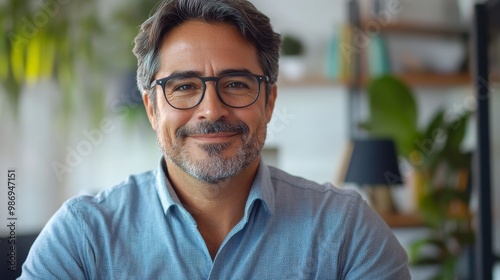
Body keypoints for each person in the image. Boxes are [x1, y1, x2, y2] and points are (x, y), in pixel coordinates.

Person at [20, 0, 410, 279]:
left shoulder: (347, 231)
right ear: (153, 109)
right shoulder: (82, 236)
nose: (211, 110)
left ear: (269, 101)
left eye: (236, 84)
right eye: (185, 86)